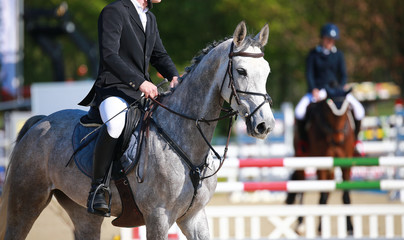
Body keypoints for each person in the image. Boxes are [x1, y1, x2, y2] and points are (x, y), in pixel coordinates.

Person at [78, 0, 179, 216]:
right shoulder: (114, 11)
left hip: (141, 92)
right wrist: (140, 82)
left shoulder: (149, 17)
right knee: (115, 124)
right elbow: (109, 56)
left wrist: (175, 76)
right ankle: (98, 189)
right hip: (114, 88)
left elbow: (158, 55)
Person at [294, 23, 365, 155]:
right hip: (318, 91)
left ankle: (356, 141)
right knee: (299, 111)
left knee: (359, 110)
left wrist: (342, 87)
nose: (330, 42)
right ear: (322, 38)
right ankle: (304, 142)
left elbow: (343, 75)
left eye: (332, 40)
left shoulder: (338, 54)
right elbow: (309, 74)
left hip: (336, 92)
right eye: (328, 39)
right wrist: (313, 88)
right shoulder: (313, 54)